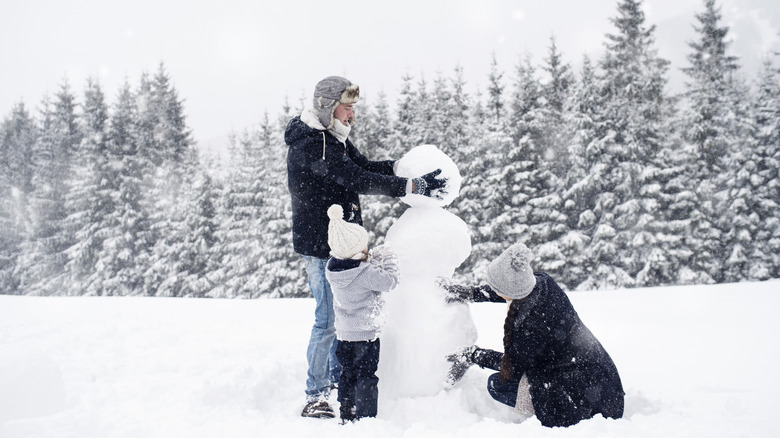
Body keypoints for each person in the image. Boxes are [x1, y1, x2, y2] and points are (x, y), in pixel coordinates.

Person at [285, 75, 447, 418]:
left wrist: (402, 170)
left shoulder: (333, 138)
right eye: (347, 107)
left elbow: (364, 166)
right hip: (320, 245)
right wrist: (410, 186)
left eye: (354, 108)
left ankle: (332, 378)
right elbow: (355, 179)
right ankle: (315, 393)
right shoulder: (312, 144)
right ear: (328, 107)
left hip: (341, 242)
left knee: (342, 315)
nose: (352, 115)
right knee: (329, 318)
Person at [438, 242, 625, 428]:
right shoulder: (543, 282)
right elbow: (510, 290)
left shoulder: (531, 327)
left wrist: (473, 355)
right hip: (602, 377)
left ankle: (562, 412)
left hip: (592, 400)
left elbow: (511, 367)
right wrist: (472, 293)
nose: (494, 290)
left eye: (496, 288)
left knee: (498, 385)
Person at [324, 204, 399, 422]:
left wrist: (369, 260)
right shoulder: (366, 273)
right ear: (357, 251)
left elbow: (356, 268)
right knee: (366, 376)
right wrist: (389, 259)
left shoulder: (333, 270)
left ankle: (347, 410)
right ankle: (366, 417)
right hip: (365, 335)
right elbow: (390, 282)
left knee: (347, 373)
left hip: (344, 334)